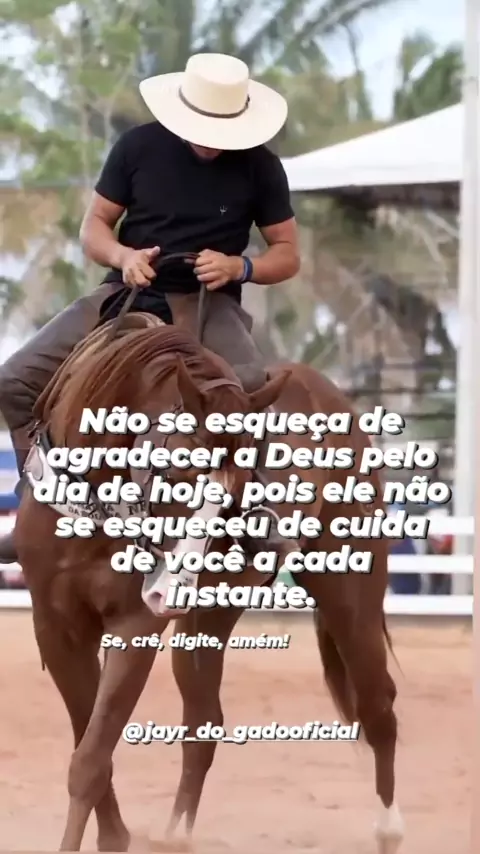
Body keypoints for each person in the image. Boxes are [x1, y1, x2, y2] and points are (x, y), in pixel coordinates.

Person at [0, 52, 300, 562]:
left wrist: (240, 267)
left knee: (248, 385)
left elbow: (287, 253)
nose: (212, 141)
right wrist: (124, 256)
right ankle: (37, 497)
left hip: (208, 303)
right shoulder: (138, 147)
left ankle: (254, 505)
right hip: (127, 293)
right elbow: (94, 227)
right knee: (14, 380)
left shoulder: (261, 166)